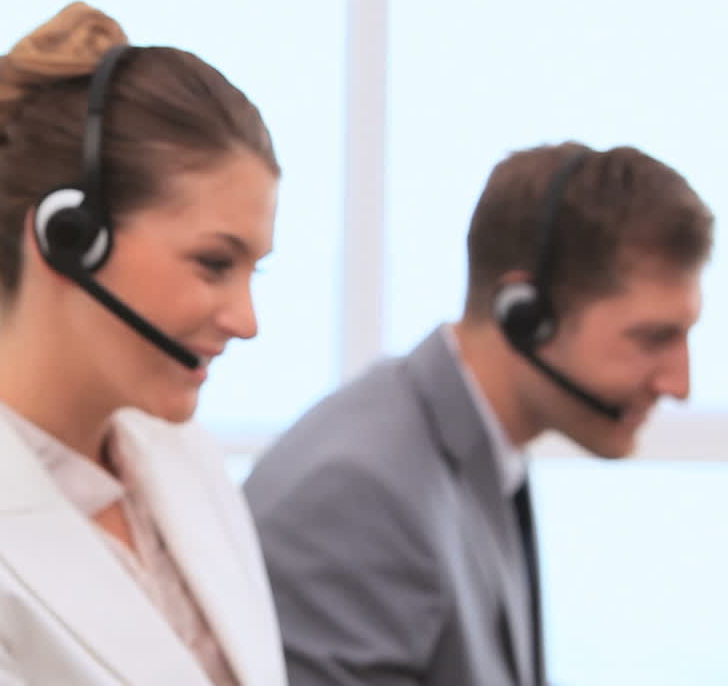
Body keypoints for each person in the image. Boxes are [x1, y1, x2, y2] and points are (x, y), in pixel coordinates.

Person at [0, 2, 286, 686]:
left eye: (255, 270)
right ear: (66, 239)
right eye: (214, 264)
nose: (247, 319)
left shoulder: (186, 455)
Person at [245, 142, 713, 686]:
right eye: (653, 338)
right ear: (524, 315)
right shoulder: (360, 494)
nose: (678, 385)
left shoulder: (478, 447)